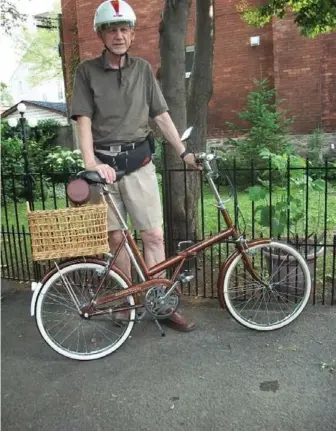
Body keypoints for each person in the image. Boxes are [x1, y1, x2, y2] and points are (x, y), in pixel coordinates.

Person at [70, 0, 199, 332]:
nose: (118, 35)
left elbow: (160, 115)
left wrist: (183, 151)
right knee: (116, 240)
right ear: (101, 34)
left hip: (138, 162)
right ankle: (126, 303)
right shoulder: (86, 72)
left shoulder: (143, 70)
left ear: (131, 34)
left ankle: (160, 302)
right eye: (111, 29)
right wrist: (91, 163)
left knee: (154, 235)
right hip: (105, 166)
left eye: (124, 29)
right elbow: (83, 120)